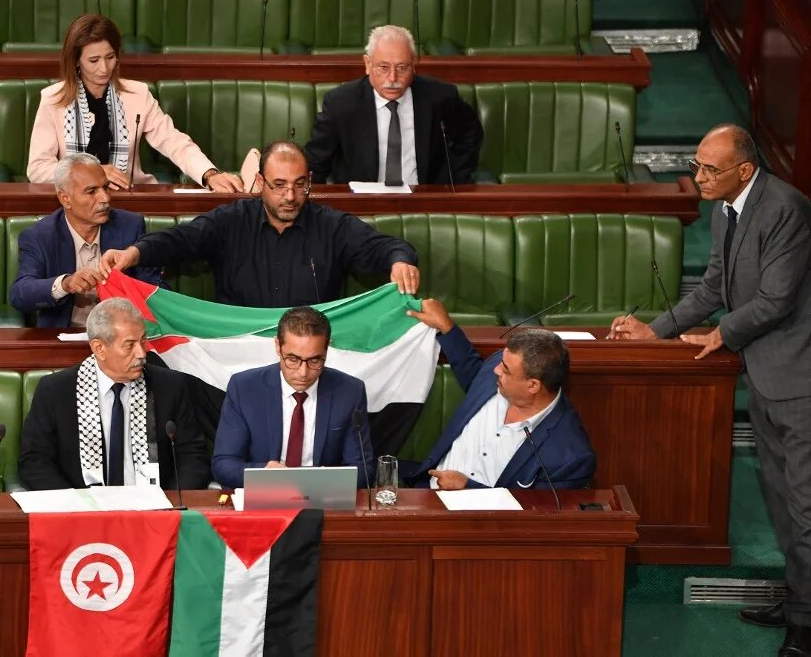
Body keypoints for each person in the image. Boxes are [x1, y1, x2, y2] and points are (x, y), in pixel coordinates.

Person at [608, 124, 811, 651]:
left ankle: (807, 625)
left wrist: (722, 332)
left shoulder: (786, 209)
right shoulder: (726, 209)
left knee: (806, 507)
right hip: (765, 377)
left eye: (708, 169)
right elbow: (715, 286)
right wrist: (657, 329)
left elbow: (776, 300)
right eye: (696, 165)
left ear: (744, 170)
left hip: (799, 378)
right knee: (782, 501)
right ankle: (799, 599)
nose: (697, 176)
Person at [99, 140, 421, 307]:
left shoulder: (331, 226)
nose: (290, 196)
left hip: (309, 357)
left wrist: (399, 261)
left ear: (309, 182)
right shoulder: (231, 221)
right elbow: (180, 240)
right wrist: (134, 253)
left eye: (299, 185)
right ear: (259, 182)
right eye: (279, 185)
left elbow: (387, 247)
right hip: (240, 351)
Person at [26, 14, 242, 192]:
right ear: (75, 61)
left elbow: (173, 141)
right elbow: (37, 168)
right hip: (76, 203)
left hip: (130, 198)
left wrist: (209, 174)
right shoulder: (52, 99)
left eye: (110, 57)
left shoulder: (138, 95)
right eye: (93, 60)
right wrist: (93, 173)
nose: (104, 68)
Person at [19, 298, 210, 490]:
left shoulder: (169, 386)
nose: (141, 353)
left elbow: (193, 456)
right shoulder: (56, 391)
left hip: (155, 508)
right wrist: (76, 505)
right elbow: (35, 461)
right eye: (129, 345)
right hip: (83, 510)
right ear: (99, 348)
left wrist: (170, 503)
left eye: (142, 341)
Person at [404, 299, 595, 490]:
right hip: (426, 490)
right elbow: (475, 376)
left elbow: (535, 514)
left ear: (533, 385)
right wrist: (446, 327)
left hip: (480, 518)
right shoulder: (500, 369)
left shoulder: (570, 456)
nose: (495, 369)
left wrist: (467, 487)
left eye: (505, 370)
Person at [211, 306, 371, 489]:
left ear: (326, 351)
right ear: (278, 346)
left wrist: (326, 479)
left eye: (315, 361)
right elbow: (223, 465)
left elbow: (363, 469)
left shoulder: (350, 392)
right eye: (293, 360)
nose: (303, 373)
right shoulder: (244, 388)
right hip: (265, 496)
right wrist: (264, 473)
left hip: (322, 498)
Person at [304, 25, 483, 186]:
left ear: (413, 65)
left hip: (423, 203)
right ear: (368, 64)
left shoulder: (440, 97)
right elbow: (315, 163)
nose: (392, 78)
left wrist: (451, 177)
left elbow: (470, 132)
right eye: (383, 67)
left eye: (402, 67)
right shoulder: (341, 103)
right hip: (361, 207)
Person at [9, 153, 164, 327]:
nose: (105, 199)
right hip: (63, 339)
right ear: (65, 199)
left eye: (105, 188)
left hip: (121, 337)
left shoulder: (130, 225)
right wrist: (66, 284)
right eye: (91, 192)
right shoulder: (39, 236)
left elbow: (154, 288)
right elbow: (20, 294)